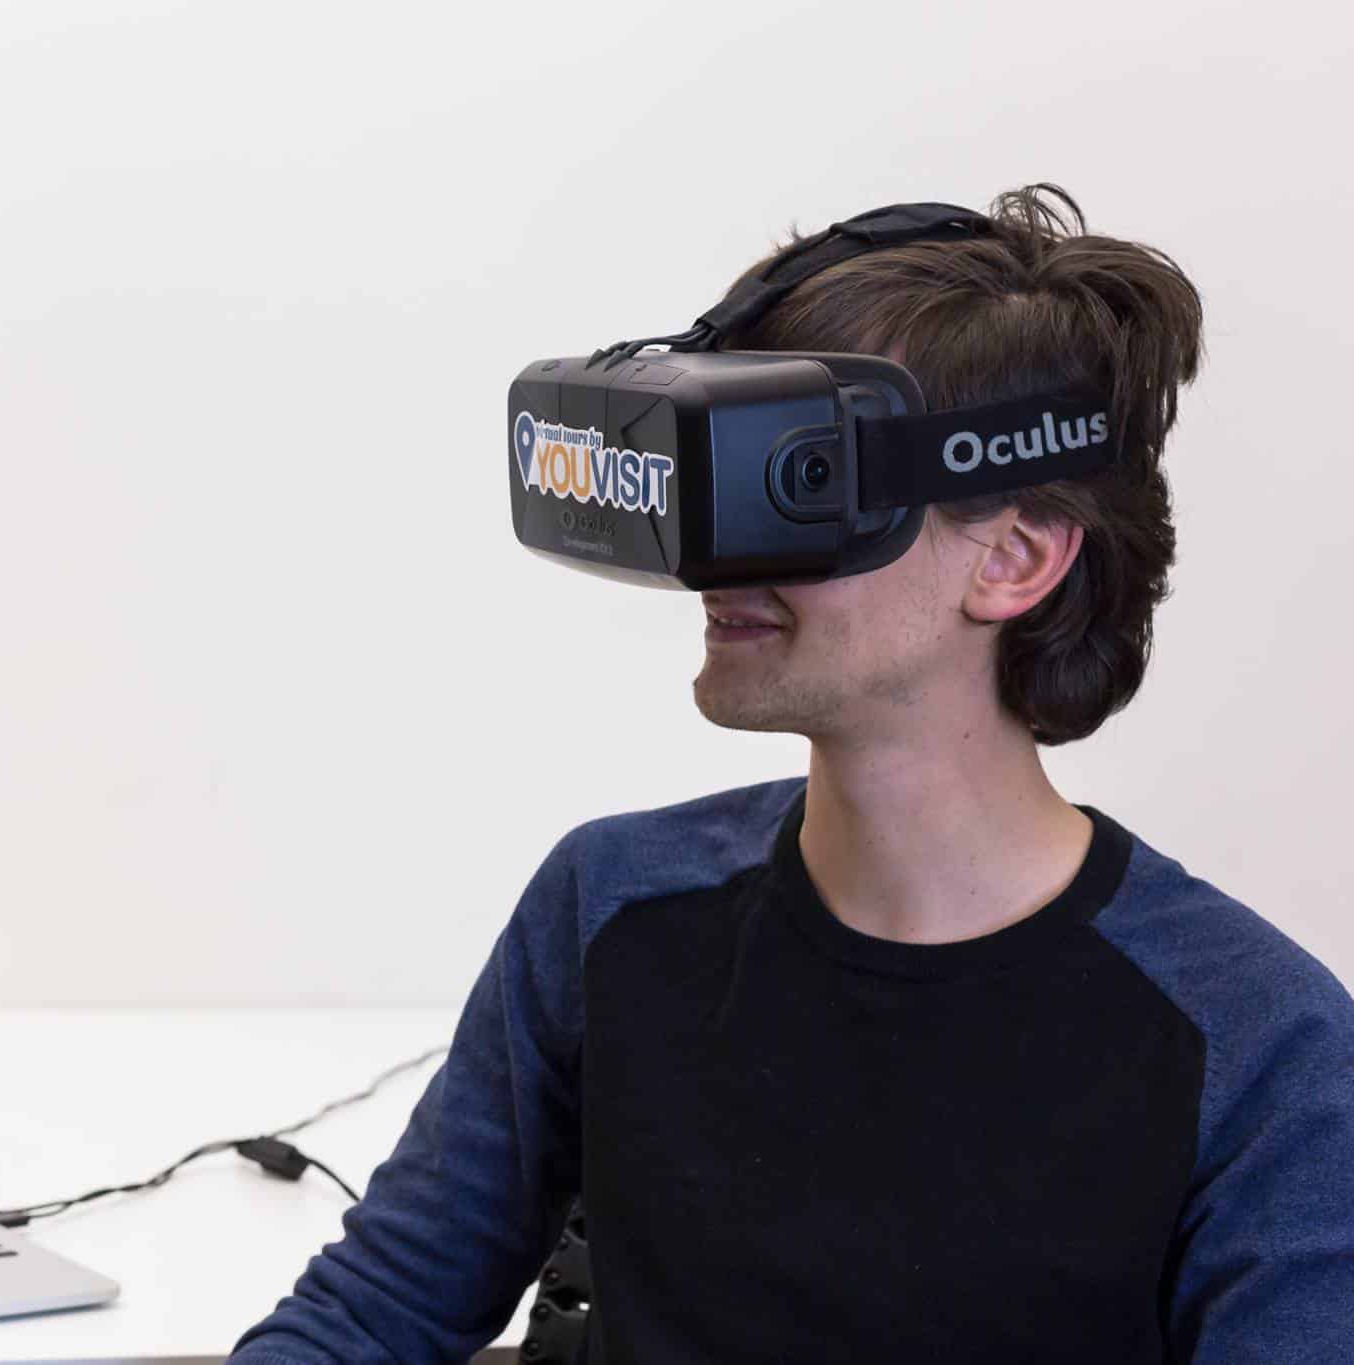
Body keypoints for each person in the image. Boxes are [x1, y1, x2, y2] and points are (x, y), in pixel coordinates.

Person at [226, 185, 1354, 1363]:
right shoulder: (611, 903)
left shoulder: (1254, 1048)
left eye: (796, 482)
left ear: (1012, 559)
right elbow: (376, 1313)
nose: (718, 558)